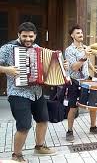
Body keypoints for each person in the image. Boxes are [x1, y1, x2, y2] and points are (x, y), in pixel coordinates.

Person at [0, 22, 56, 162]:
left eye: (31, 36)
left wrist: (60, 64)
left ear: (35, 36)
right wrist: (7, 70)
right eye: (24, 36)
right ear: (19, 34)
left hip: (37, 92)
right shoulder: (8, 48)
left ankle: (39, 147)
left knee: (43, 120)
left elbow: (48, 66)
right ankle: (16, 155)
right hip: (18, 93)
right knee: (24, 125)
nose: (28, 39)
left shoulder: (37, 48)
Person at [65, 25, 97, 141]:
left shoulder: (86, 47)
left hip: (88, 79)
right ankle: (70, 130)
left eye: (81, 32)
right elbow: (73, 67)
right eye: (77, 33)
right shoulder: (69, 50)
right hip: (75, 81)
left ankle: (93, 127)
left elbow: (87, 62)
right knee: (73, 107)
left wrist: (93, 69)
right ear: (72, 35)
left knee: (93, 105)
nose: (81, 35)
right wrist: (84, 56)